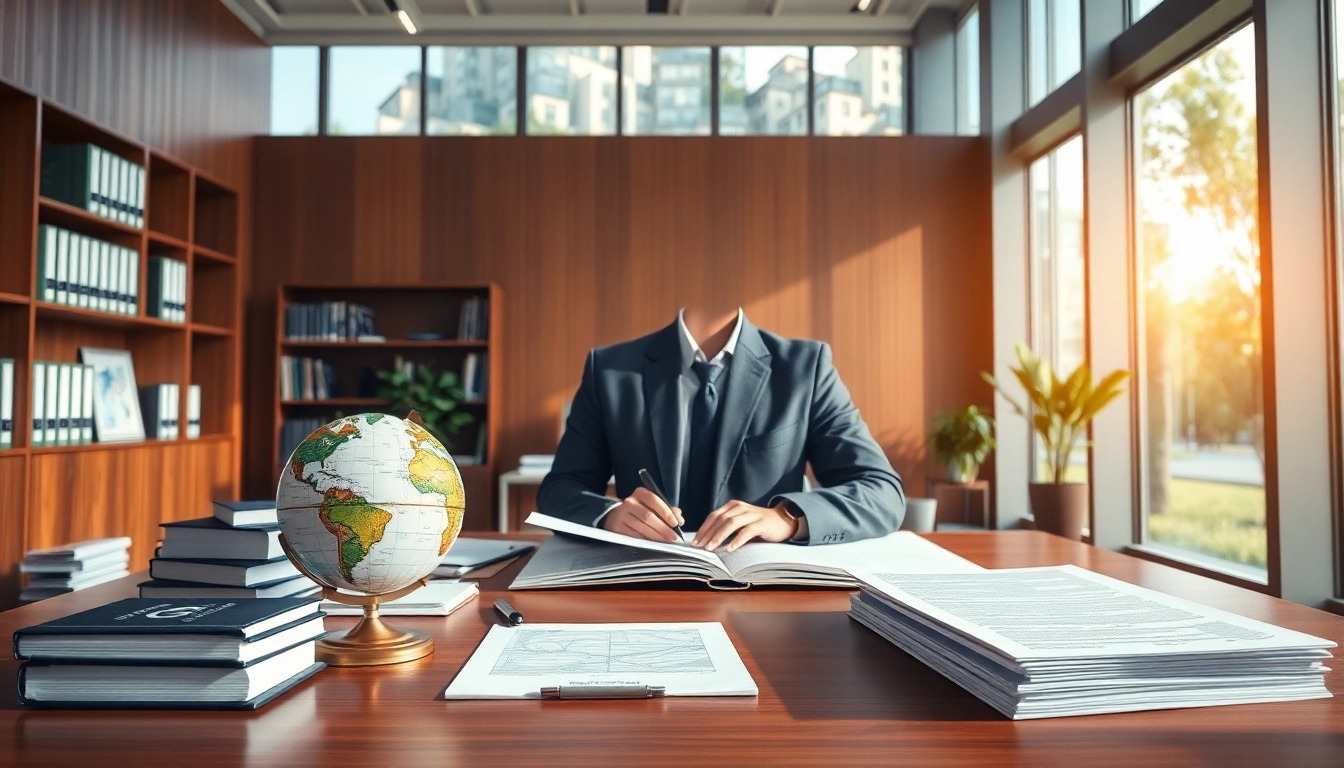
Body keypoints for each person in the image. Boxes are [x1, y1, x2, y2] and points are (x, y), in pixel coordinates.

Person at [537, 305, 905, 552]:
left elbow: (882, 492)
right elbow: (559, 490)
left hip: (762, 598)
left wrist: (786, 518)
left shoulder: (805, 368)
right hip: (639, 590)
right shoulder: (610, 369)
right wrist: (609, 515)